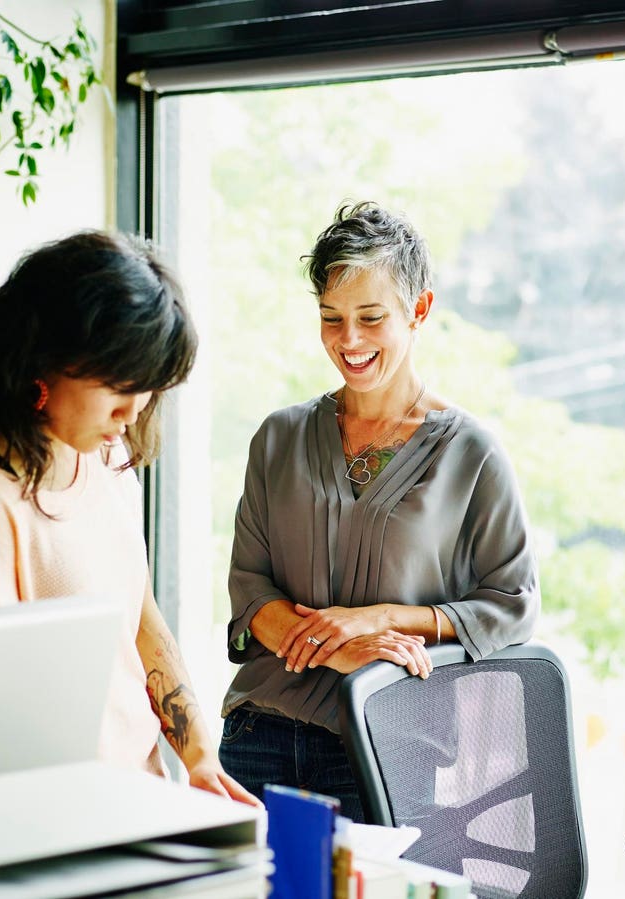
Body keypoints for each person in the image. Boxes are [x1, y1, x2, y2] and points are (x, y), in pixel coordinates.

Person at [0, 230, 258, 806]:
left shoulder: (105, 455)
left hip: (137, 794)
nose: (132, 411)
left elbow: (139, 620)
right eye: (120, 385)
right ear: (48, 359)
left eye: (148, 388)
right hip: (52, 813)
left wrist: (199, 757)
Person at [220, 202, 539, 820]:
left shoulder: (472, 454)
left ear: (419, 310)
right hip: (259, 732)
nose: (349, 341)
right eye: (331, 318)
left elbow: (512, 605)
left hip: (385, 740)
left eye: (371, 318)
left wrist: (383, 619)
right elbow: (250, 589)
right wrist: (336, 650)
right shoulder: (279, 438)